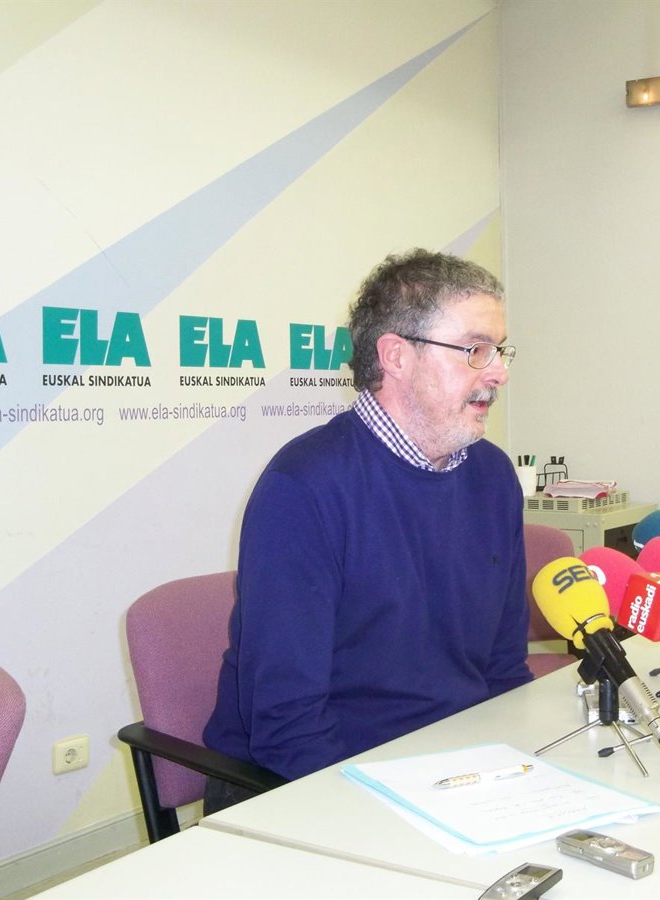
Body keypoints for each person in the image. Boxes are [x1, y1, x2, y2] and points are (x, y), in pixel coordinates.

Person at [202, 249, 532, 813]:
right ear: (396, 356)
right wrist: (394, 815)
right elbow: (289, 725)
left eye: (500, 350)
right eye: (476, 350)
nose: (498, 372)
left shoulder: (493, 477)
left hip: (454, 774)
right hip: (311, 785)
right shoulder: (304, 487)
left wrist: (521, 772)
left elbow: (503, 670)